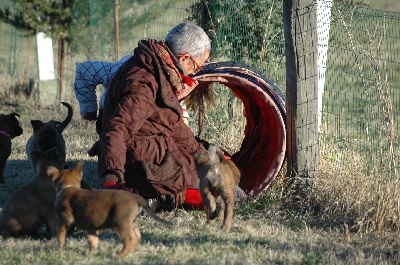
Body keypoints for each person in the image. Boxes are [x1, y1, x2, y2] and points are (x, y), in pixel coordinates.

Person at [96, 21, 211, 209]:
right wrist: (112, 178)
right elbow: (118, 129)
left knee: (220, 183)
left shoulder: (156, 68)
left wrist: (202, 156)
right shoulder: (144, 83)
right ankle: (156, 198)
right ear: (183, 59)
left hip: (152, 152)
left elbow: (170, 122)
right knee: (228, 195)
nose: (195, 72)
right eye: (197, 67)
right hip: (143, 164)